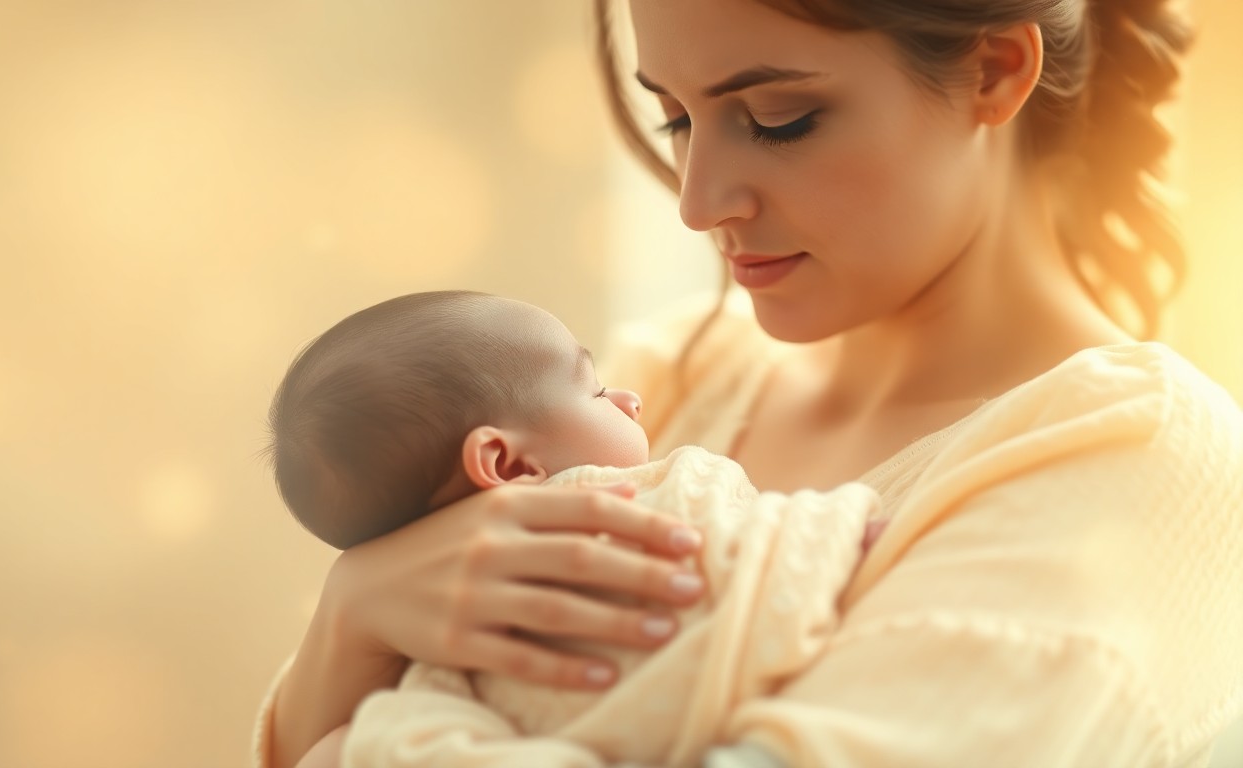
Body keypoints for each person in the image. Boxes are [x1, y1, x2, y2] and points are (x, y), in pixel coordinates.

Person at [255, 1, 1243, 767]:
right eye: (677, 118)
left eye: (780, 120)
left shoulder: (1140, 455)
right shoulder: (673, 381)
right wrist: (353, 612)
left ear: (995, 70)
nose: (697, 204)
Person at [266, 289, 879, 767]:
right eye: (597, 390)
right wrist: (835, 530)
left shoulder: (413, 639)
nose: (631, 399)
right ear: (510, 465)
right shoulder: (630, 497)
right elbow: (747, 546)